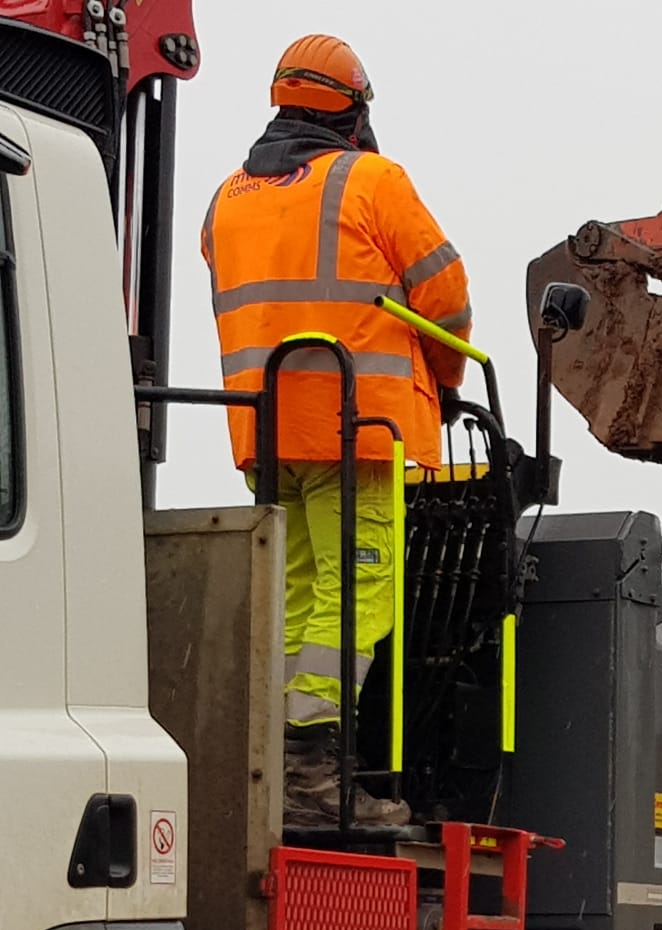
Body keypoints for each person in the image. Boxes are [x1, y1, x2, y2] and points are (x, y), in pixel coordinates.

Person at [201, 35, 472, 826]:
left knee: (295, 595)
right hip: (360, 431)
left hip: (267, 435)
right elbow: (447, 297)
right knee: (360, 598)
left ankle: (277, 766)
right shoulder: (371, 180)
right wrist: (446, 383)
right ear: (352, 107)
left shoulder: (226, 200)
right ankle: (311, 776)